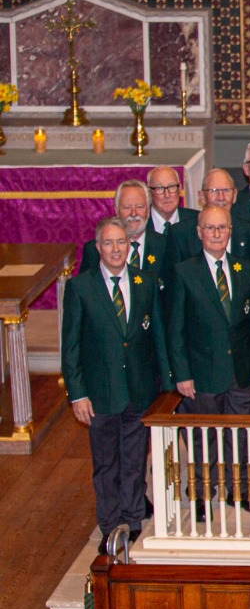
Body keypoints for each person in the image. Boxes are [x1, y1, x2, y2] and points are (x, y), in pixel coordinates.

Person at [63, 218, 169, 553]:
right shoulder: (81, 288)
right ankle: (110, 525)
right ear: (98, 248)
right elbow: (71, 347)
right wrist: (77, 394)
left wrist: (165, 390)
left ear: (129, 245)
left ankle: (134, 519)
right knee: (107, 463)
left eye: (120, 242)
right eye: (108, 243)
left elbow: (158, 340)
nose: (115, 249)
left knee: (136, 459)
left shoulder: (145, 281)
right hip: (100, 394)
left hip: (138, 390)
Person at [166, 207, 250, 512]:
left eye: (221, 228)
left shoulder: (245, 268)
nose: (216, 234)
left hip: (241, 370)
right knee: (203, 439)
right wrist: (182, 375)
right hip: (202, 372)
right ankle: (201, 496)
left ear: (230, 231)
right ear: (199, 233)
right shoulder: (184, 272)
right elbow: (176, 329)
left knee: (242, 436)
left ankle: (243, 491)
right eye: (209, 228)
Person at [80, 179, 173, 286]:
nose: (133, 213)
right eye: (127, 207)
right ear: (116, 211)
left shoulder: (166, 246)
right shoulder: (94, 250)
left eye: (139, 207)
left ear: (148, 211)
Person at [145, 166, 196, 236]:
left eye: (172, 187)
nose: (167, 195)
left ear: (179, 189)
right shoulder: (140, 223)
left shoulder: (197, 221)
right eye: (159, 188)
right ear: (149, 192)